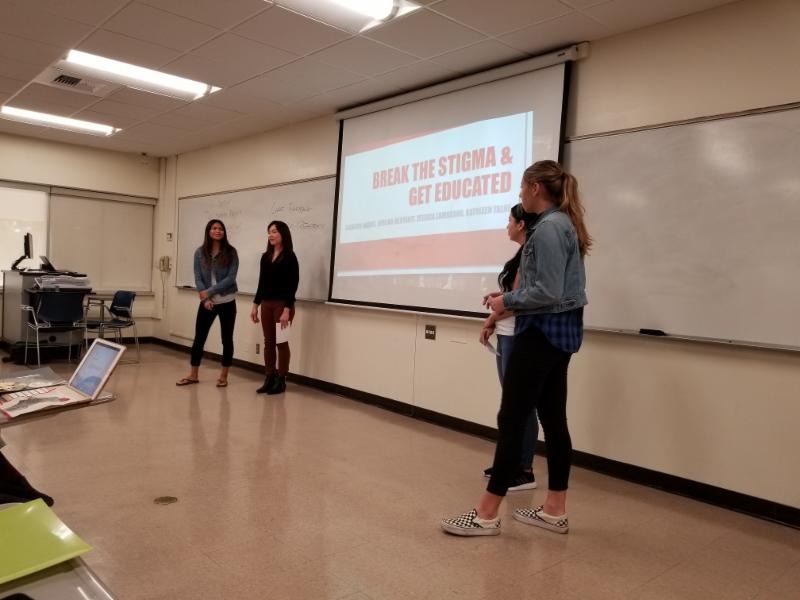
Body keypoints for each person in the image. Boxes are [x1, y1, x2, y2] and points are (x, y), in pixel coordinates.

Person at [442, 160, 591, 536]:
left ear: (536, 188)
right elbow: (552, 289)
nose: (520, 196)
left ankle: (486, 513)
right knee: (553, 420)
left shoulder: (547, 229)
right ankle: (555, 510)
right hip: (559, 334)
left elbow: (547, 291)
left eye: (522, 189)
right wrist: (509, 298)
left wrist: (505, 301)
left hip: (540, 334)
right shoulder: (561, 225)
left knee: (512, 419)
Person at [479, 203, 539, 491]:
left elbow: (524, 299)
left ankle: (524, 469)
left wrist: (493, 315)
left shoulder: (531, 254)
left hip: (519, 335)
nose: (506, 225)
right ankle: (509, 462)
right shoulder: (521, 254)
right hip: (507, 334)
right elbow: (514, 295)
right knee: (512, 404)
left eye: (509, 220)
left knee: (521, 406)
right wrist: (497, 305)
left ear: (521, 225)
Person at [176, 219, 239, 388]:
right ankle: (193, 374)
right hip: (207, 303)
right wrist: (205, 299)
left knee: (227, 339)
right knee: (199, 338)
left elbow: (231, 278)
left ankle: (224, 376)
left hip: (227, 301)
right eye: (214, 228)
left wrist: (209, 293)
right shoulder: (199, 252)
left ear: (224, 232)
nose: (217, 231)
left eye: (220, 229)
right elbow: (198, 277)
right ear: (209, 231)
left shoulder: (231, 252)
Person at [250, 221, 299, 395]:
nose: (270, 235)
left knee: (281, 342)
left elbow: (293, 285)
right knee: (268, 342)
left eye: (274, 232)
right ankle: (269, 377)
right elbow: (261, 283)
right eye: (269, 232)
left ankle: (281, 379)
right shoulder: (265, 257)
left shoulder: (290, 256)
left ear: (283, 234)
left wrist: (287, 309)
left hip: (282, 305)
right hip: (266, 304)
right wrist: (255, 305)